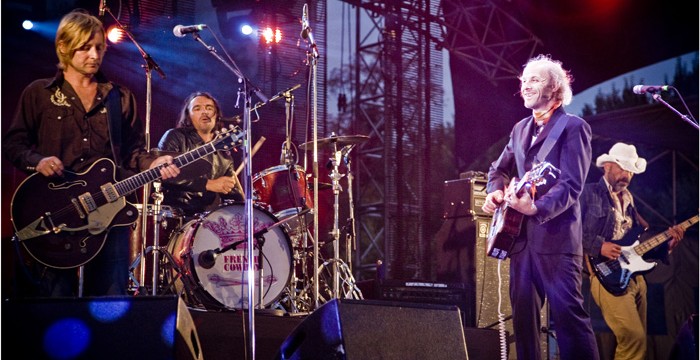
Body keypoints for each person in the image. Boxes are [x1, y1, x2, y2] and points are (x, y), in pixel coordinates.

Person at [2, 9, 180, 297]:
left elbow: (133, 152)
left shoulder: (118, 96)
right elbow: (13, 145)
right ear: (64, 47)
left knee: (110, 303)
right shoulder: (40, 93)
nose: (94, 55)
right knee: (55, 303)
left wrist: (155, 161)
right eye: (85, 47)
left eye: (99, 47)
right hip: (57, 211)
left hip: (109, 211)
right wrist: (38, 161)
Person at [481, 54, 599, 359]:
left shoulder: (574, 127)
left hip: (557, 240)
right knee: (524, 325)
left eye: (534, 79)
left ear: (555, 89)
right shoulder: (519, 129)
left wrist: (538, 208)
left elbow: (572, 184)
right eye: (523, 81)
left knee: (569, 321)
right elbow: (497, 170)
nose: (525, 85)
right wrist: (495, 192)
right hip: (519, 242)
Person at [581, 142, 685, 360]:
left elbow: (637, 243)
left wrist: (667, 246)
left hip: (635, 278)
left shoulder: (630, 201)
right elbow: (569, 232)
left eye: (630, 170)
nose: (627, 174)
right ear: (607, 166)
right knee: (633, 338)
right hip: (606, 275)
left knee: (639, 344)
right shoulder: (588, 194)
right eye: (622, 168)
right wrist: (599, 245)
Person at [157, 91, 244, 217]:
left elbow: (233, 194)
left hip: (208, 220)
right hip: (176, 216)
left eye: (209, 108)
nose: (204, 112)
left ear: (217, 115)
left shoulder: (224, 152)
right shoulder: (175, 137)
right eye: (197, 108)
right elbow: (162, 174)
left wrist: (248, 209)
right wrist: (208, 184)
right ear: (189, 116)